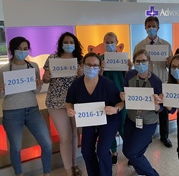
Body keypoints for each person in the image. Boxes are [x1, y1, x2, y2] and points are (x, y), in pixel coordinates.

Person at [0, 36, 52, 176]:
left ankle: (47, 173)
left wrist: (39, 85)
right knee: (16, 147)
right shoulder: (4, 70)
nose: (22, 51)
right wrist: (1, 91)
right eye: (19, 48)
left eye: (25, 49)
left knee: (47, 144)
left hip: (32, 110)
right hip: (11, 113)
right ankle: (19, 174)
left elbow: (35, 90)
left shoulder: (33, 67)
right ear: (12, 50)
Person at [65, 52, 124, 176]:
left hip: (109, 120)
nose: (91, 68)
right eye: (88, 65)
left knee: (102, 151)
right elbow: (69, 101)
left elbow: (120, 103)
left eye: (95, 65)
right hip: (89, 121)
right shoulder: (77, 84)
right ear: (82, 65)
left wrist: (115, 110)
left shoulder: (107, 84)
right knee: (86, 151)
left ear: (100, 67)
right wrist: (69, 109)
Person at [42, 32, 83, 176]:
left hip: (75, 103)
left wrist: (81, 74)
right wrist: (45, 77)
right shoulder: (52, 58)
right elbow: (45, 80)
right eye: (66, 42)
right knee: (65, 137)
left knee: (75, 135)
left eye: (71, 42)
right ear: (61, 43)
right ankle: (68, 170)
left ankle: (75, 164)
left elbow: (86, 81)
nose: (69, 45)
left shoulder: (80, 60)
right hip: (56, 103)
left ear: (75, 44)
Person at [121, 49, 163, 176]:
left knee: (132, 152)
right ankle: (140, 169)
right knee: (126, 150)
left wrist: (156, 106)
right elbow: (125, 92)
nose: (140, 64)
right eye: (137, 61)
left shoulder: (156, 82)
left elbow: (161, 107)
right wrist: (123, 96)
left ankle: (152, 174)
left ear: (149, 62)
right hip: (131, 118)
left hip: (148, 122)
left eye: (143, 61)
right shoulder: (129, 75)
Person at [134, 16, 173, 148]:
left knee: (163, 112)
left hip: (162, 82)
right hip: (146, 83)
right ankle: (147, 136)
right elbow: (136, 65)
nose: (151, 29)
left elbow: (172, 66)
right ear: (145, 28)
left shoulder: (166, 45)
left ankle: (164, 136)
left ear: (158, 28)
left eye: (153, 26)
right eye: (148, 26)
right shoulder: (139, 46)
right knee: (147, 111)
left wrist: (170, 62)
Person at [100, 32, 130, 165]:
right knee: (108, 127)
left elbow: (127, 77)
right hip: (105, 98)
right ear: (103, 43)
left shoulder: (122, 59)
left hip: (120, 97)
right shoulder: (100, 59)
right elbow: (96, 78)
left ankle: (130, 152)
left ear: (117, 43)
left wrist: (129, 68)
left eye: (112, 42)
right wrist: (100, 69)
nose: (109, 44)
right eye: (107, 42)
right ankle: (113, 151)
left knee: (123, 125)